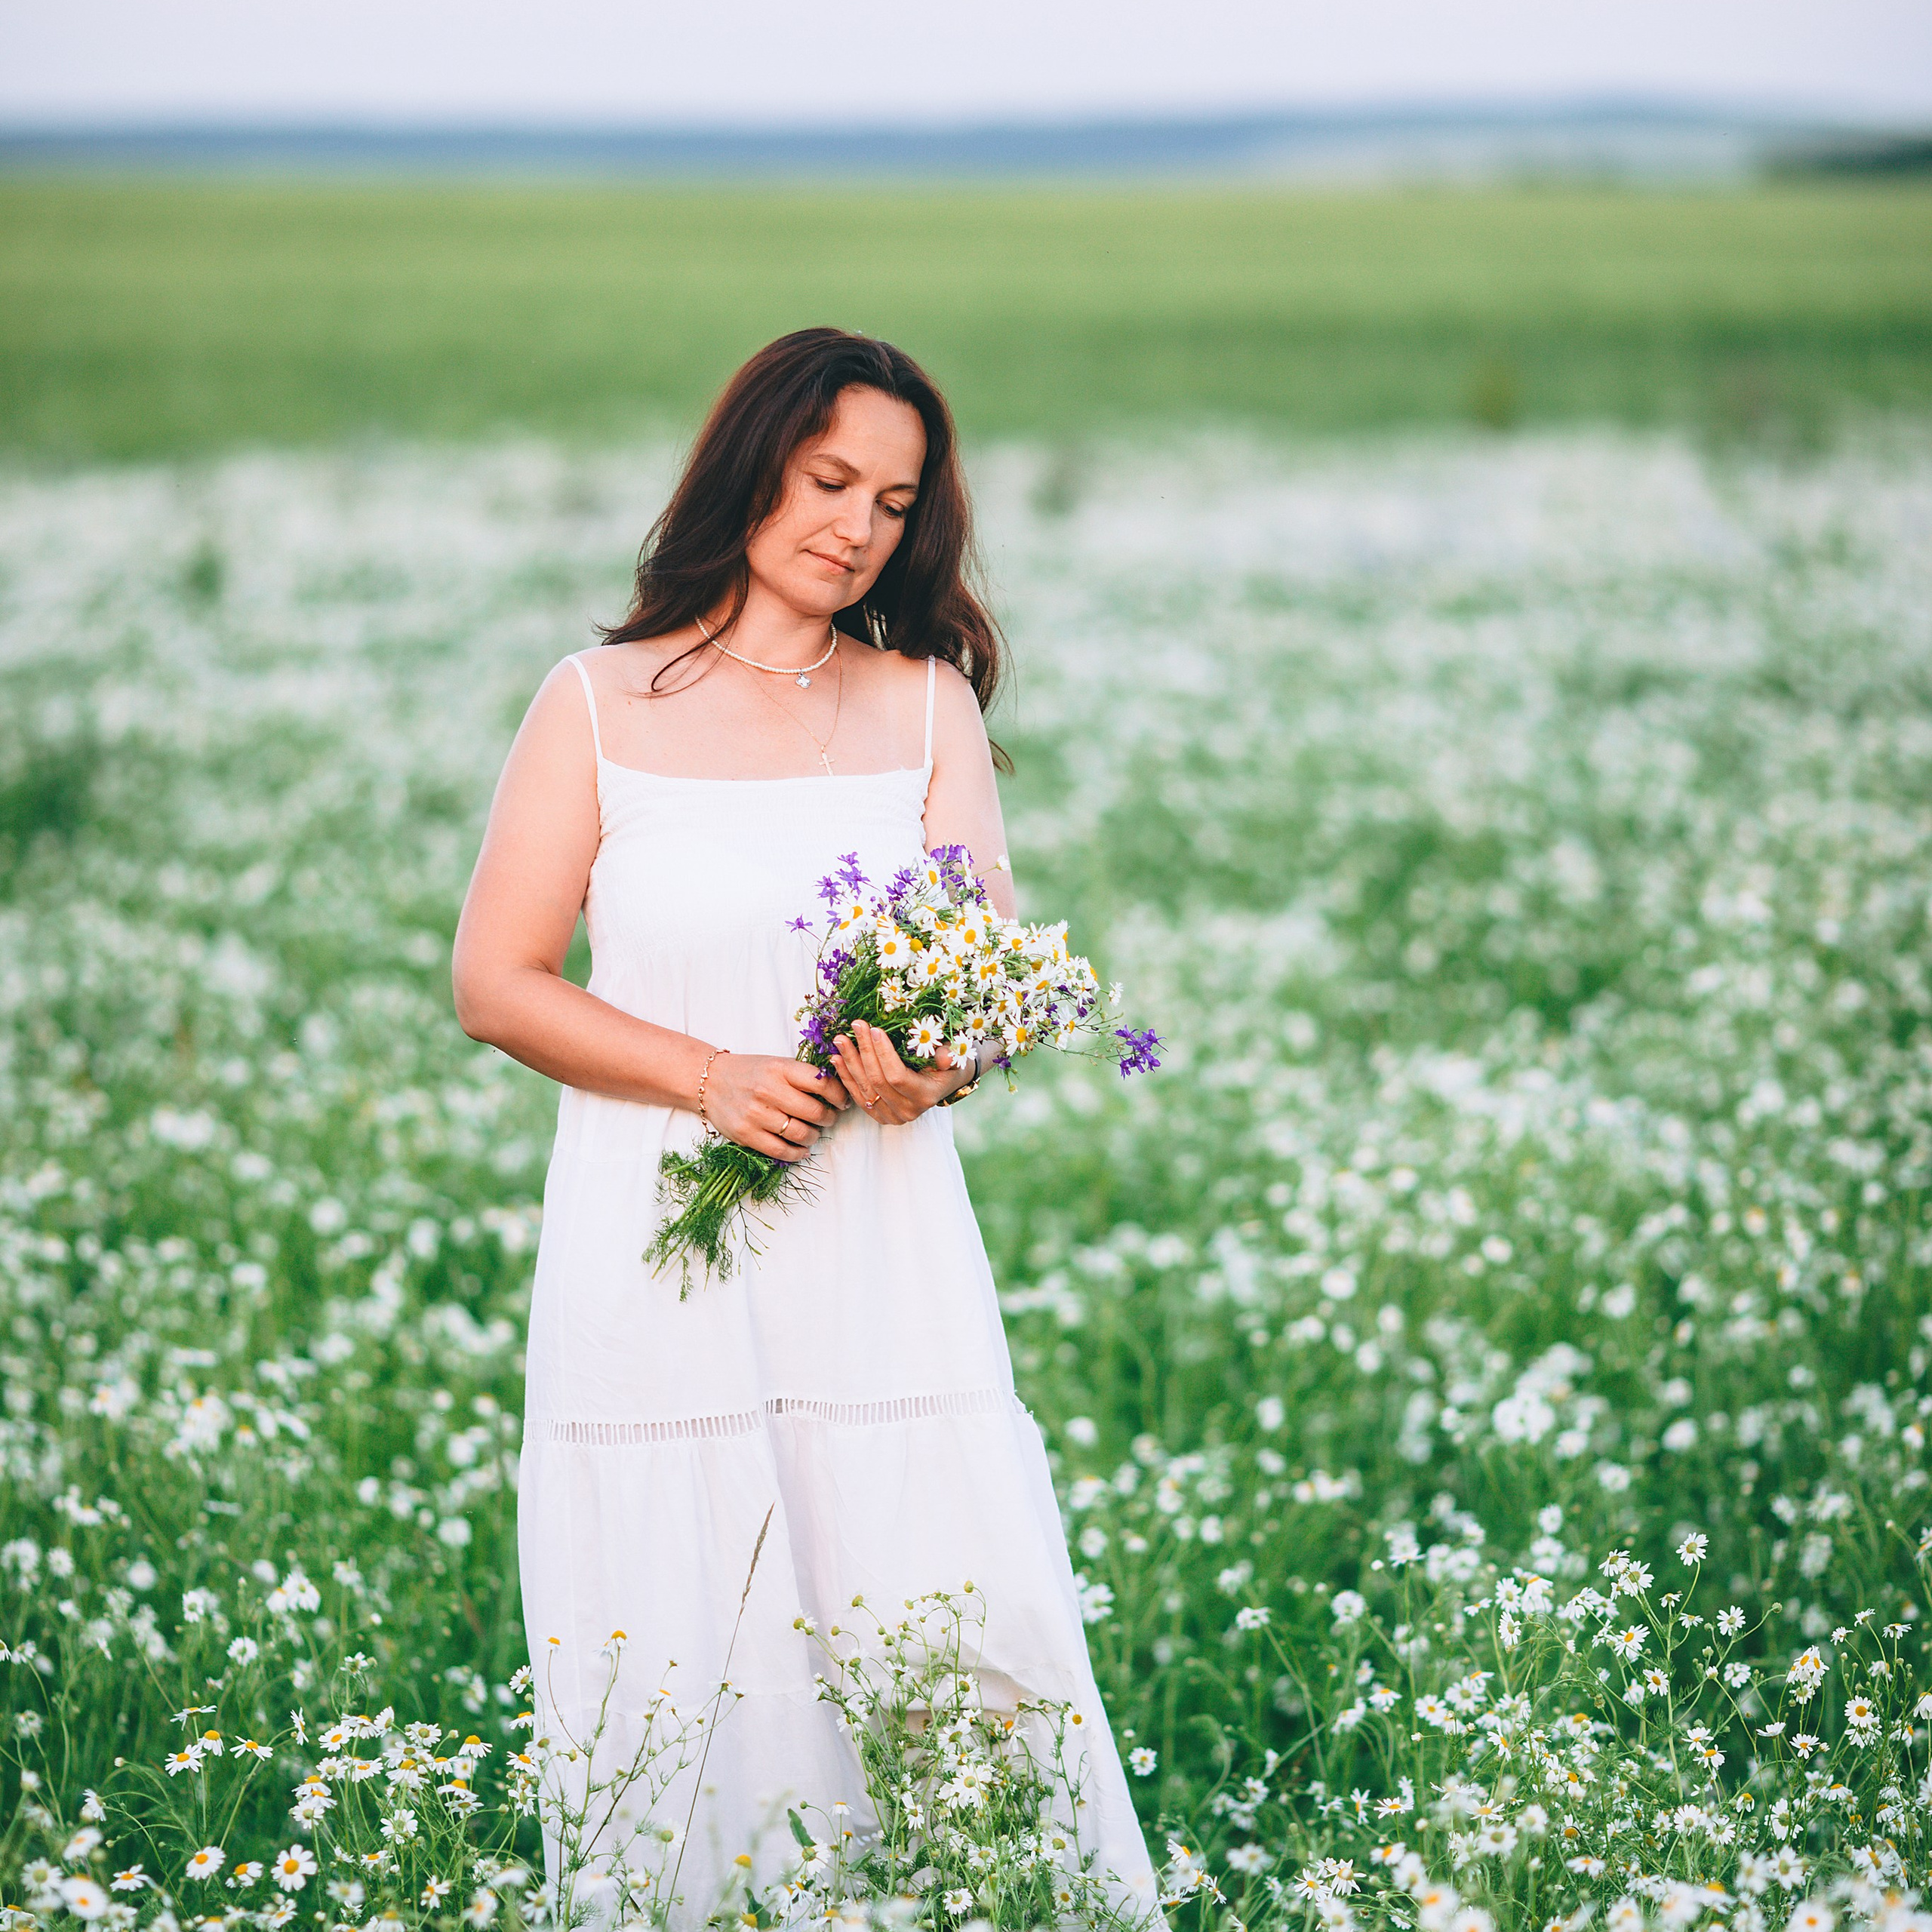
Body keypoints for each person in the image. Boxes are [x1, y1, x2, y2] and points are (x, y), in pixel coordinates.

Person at [451, 327, 1156, 1924]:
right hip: (658, 1257)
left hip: (877, 1254)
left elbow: (975, 984)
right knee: (688, 1633)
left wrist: (935, 1066)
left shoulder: (925, 711)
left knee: (929, 1613)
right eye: (829, 477)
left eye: (894, 502)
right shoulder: (595, 702)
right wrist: (705, 1075)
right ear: (750, 466)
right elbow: (495, 981)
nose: (855, 524)